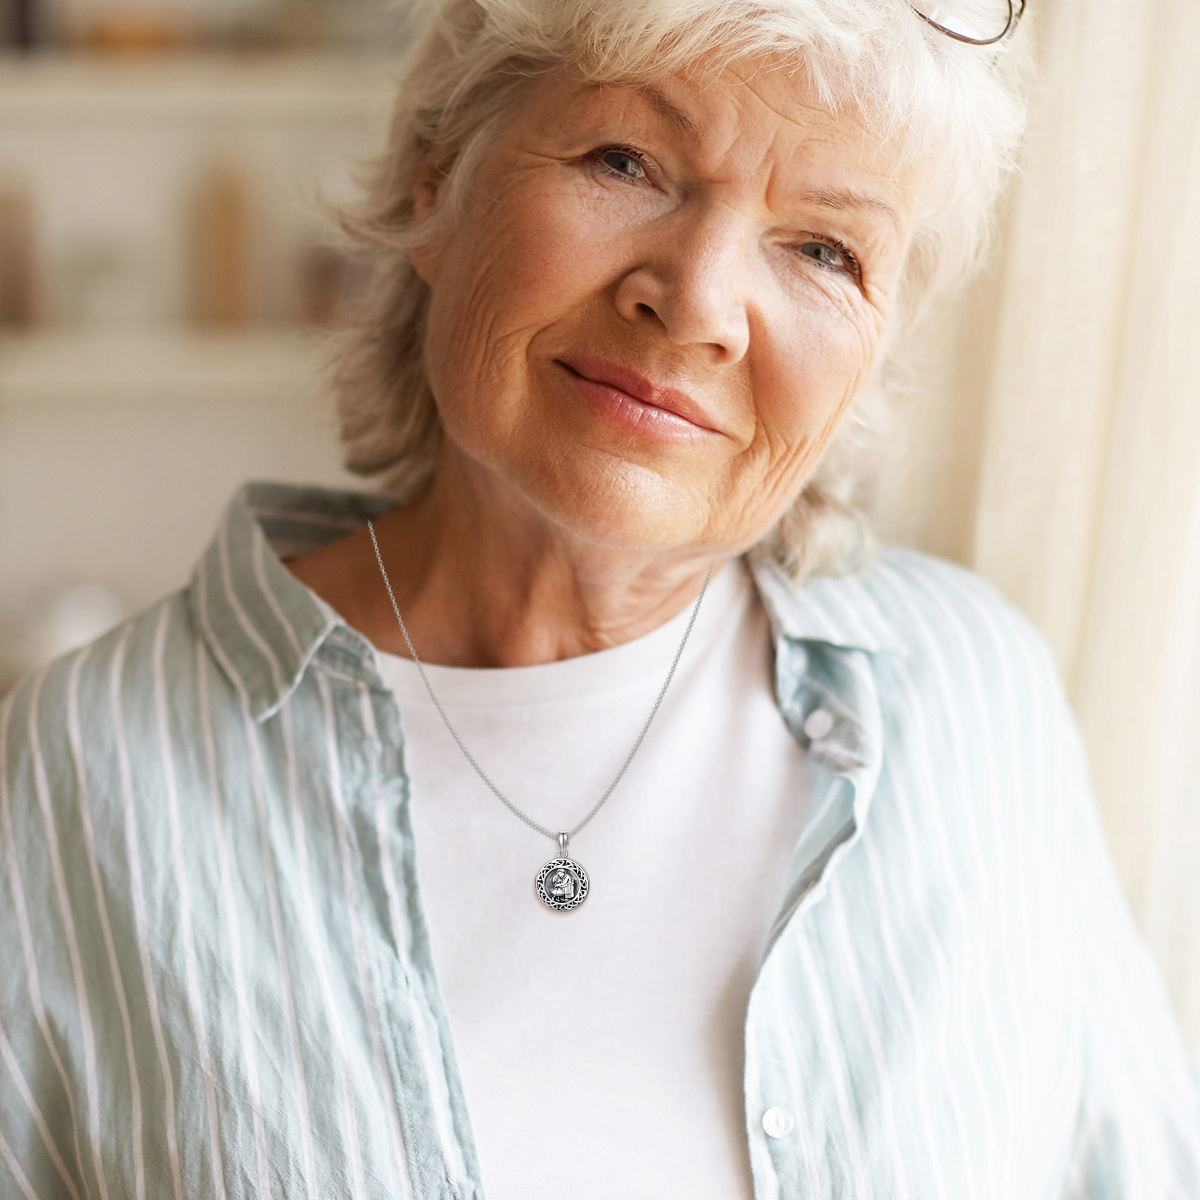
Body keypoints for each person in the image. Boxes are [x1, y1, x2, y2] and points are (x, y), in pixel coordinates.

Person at [3, 0, 1199, 1196]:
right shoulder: (74, 766)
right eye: (626, 161)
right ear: (437, 182)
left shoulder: (974, 691)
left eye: (824, 249)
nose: (696, 303)